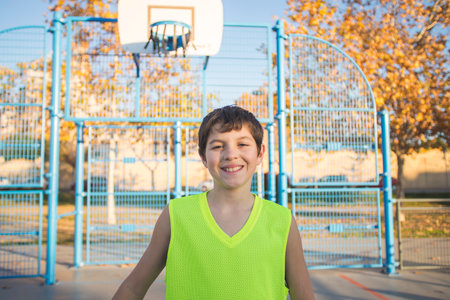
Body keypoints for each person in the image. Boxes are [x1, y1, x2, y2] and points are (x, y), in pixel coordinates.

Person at [113, 105, 315, 300]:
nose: (230, 154)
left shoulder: (282, 220)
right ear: (203, 156)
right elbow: (133, 288)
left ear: (260, 153)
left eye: (242, 144)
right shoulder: (176, 214)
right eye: (218, 146)